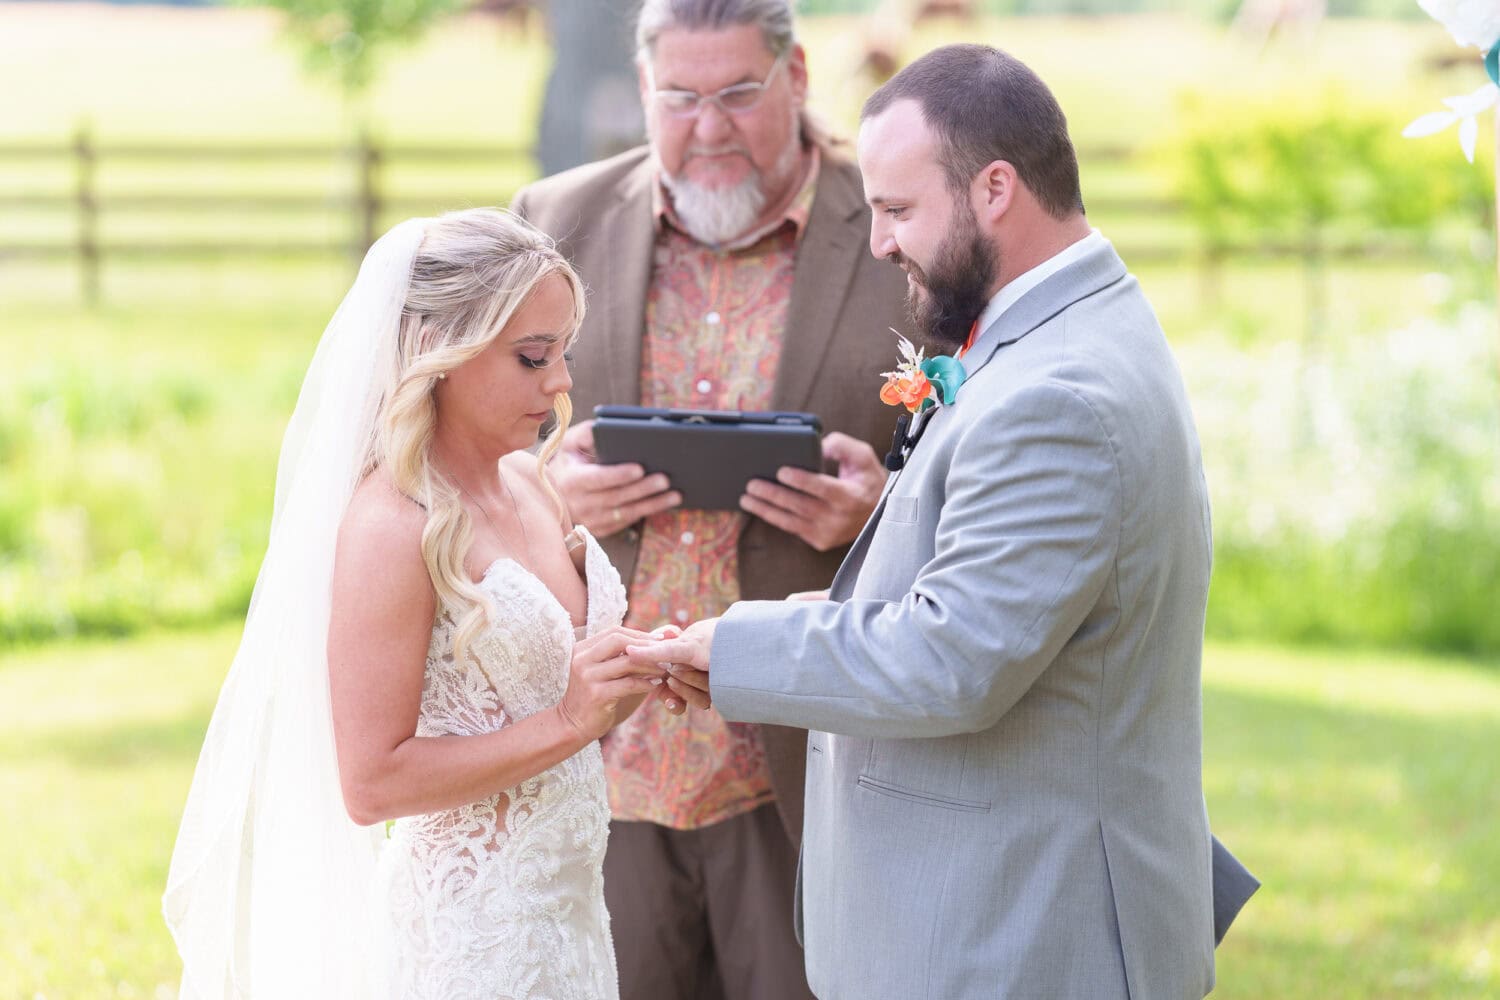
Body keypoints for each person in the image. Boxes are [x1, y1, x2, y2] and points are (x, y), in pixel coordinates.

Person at [631, 44, 1259, 999]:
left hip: (1022, 934)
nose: (880, 242)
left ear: (995, 188)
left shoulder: (1060, 394)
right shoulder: (1058, 334)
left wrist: (735, 651)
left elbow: (955, 658)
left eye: (897, 210)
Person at [163, 208, 682, 1000]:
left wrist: (641, 662)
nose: (563, 382)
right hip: (469, 943)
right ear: (440, 355)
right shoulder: (392, 527)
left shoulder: (530, 482)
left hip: (571, 923)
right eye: (533, 357)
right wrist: (571, 722)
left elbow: (545, 669)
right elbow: (371, 782)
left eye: (564, 352)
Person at [509, 2, 910, 997]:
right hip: (600, 758)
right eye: (681, 99)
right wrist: (547, 493)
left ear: (799, 74)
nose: (710, 126)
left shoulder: (902, 224)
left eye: (738, 93)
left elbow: (987, 469)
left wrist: (882, 514)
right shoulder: (552, 222)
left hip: (814, 764)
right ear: (646, 91)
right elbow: (471, 456)